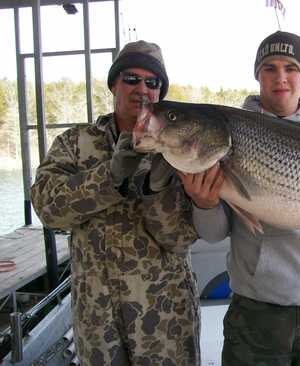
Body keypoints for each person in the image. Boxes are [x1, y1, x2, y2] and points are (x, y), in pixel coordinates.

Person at [179, 31, 300, 366]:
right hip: (255, 311)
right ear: (257, 74)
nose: (280, 77)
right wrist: (204, 204)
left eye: (291, 67)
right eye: (269, 67)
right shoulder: (225, 134)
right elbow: (213, 234)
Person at [31, 40, 200, 366]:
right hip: (98, 320)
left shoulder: (180, 149)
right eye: (131, 79)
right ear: (114, 84)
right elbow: (48, 211)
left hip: (166, 318)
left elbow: (179, 239)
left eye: (152, 83)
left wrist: (156, 189)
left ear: (160, 93)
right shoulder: (75, 143)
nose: (142, 89)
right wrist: (109, 177)